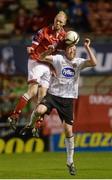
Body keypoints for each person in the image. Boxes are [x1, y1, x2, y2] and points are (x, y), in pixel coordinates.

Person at [24, 38, 97, 175]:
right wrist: (48, 51)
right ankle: (30, 124)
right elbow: (41, 57)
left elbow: (94, 62)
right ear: (66, 50)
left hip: (67, 100)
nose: (72, 51)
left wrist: (87, 47)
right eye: (70, 49)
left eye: (75, 49)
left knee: (68, 131)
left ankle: (70, 162)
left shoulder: (79, 62)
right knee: (39, 109)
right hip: (53, 95)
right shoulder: (58, 59)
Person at [8, 11, 67, 130]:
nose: (58, 22)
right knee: (33, 91)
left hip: (48, 65)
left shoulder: (63, 36)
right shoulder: (43, 31)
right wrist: (31, 48)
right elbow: (34, 44)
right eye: (57, 20)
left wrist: (54, 67)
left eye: (61, 21)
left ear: (64, 23)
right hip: (36, 61)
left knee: (42, 97)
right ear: (54, 20)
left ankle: (37, 123)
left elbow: (61, 52)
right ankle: (14, 115)